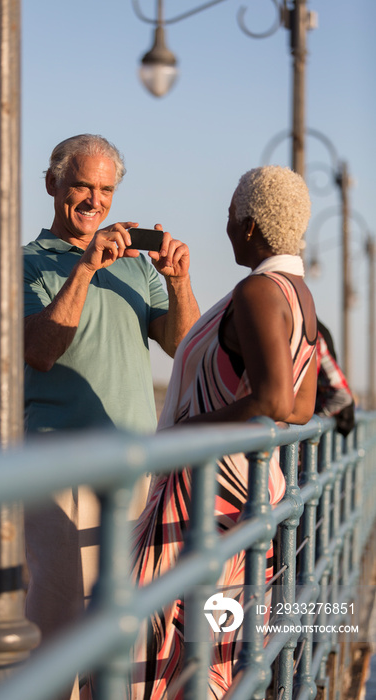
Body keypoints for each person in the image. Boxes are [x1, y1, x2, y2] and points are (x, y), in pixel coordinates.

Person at [129, 165, 318, 699]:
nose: (228, 228)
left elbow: (277, 399)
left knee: (149, 654)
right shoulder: (298, 293)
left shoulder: (258, 290)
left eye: (233, 218)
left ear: (252, 226)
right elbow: (302, 405)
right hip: (246, 493)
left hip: (204, 500)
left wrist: (183, 432)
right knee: (211, 652)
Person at [22, 135, 200, 663]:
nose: (95, 200)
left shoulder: (138, 268)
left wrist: (180, 282)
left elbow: (181, 347)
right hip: (59, 464)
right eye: (82, 185)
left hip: (136, 465)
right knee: (60, 620)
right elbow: (40, 351)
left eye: (106, 189)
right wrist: (85, 268)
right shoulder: (27, 264)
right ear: (53, 185)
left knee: (129, 623)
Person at [315, 319, 355, 436]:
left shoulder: (311, 329)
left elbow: (341, 396)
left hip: (301, 426)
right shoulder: (316, 328)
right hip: (317, 425)